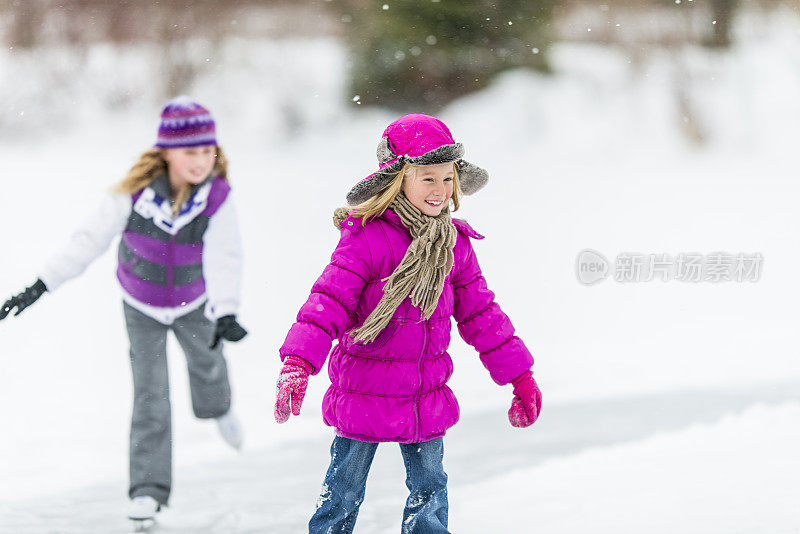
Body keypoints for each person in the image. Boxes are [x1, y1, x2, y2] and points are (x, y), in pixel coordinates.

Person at [273, 114, 541, 533]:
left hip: (424, 394)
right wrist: (298, 362)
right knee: (342, 491)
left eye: (447, 179)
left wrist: (520, 376)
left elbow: (481, 315)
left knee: (430, 492)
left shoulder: (454, 245)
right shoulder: (366, 237)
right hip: (363, 389)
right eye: (427, 179)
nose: (440, 191)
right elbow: (326, 303)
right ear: (399, 180)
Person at [0, 96, 248, 523]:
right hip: (142, 306)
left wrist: (225, 311)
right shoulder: (132, 196)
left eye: (208, 150)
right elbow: (86, 241)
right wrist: (40, 286)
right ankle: (148, 490)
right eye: (191, 151)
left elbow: (226, 255)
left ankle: (218, 407)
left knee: (207, 365)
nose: (202, 160)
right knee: (150, 395)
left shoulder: (217, 198)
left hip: (195, 303)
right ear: (167, 152)